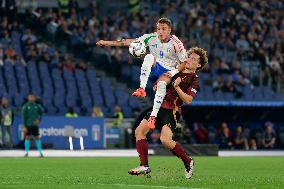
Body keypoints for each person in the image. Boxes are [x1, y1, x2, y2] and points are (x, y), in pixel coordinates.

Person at [128, 47, 208, 179]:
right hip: (157, 108)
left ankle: (188, 161)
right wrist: (158, 83)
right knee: (139, 131)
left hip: (172, 111)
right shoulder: (176, 69)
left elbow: (188, 100)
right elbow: (163, 79)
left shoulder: (194, 79)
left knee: (165, 140)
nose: (189, 59)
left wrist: (177, 87)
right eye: (189, 56)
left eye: (194, 59)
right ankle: (144, 166)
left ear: (198, 65)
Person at [96, 18, 188, 128]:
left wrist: (173, 72)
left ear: (170, 30)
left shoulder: (176, 43)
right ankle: (142, 88)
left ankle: (153, 116)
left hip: (170, 72)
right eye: (158, 29)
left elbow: (184, 63)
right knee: (149, 56)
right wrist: (106, 43)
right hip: (157, 68)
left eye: (164, 29)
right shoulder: (151, 38)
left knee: (162, 85)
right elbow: (127, 42)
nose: (160, 32)